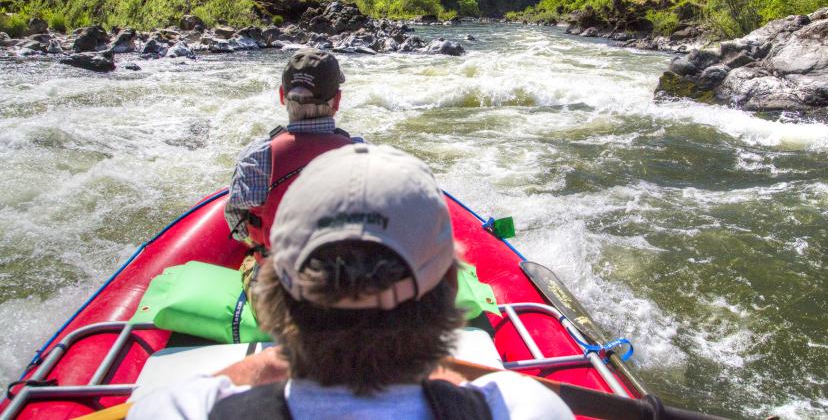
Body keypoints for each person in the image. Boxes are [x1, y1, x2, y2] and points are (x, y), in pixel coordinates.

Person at [128, 144, 573, 419]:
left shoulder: (178, 409)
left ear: (271, 296)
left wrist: (281, 361)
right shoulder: (527, 407)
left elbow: (208, 391)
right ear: (452, 292)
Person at [225, 48, 358, 297]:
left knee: (249, 259)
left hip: (278, 295)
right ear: (337, 101)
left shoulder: (255, 156)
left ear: (281, 96)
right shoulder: (363, 153)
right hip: (345, 290)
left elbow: (238, 224)